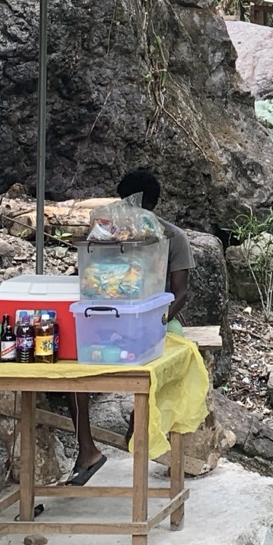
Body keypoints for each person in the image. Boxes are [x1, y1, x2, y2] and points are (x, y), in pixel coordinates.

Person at [67, 170, 194, 486]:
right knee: (71, 367)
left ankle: (141, 427)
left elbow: (180, 294)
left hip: (155, 316)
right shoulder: (106, 233)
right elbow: (88, 278)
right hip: (107, 315)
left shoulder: (172, 237)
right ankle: (86, 447)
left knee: (169, 361)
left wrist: (158, 321)